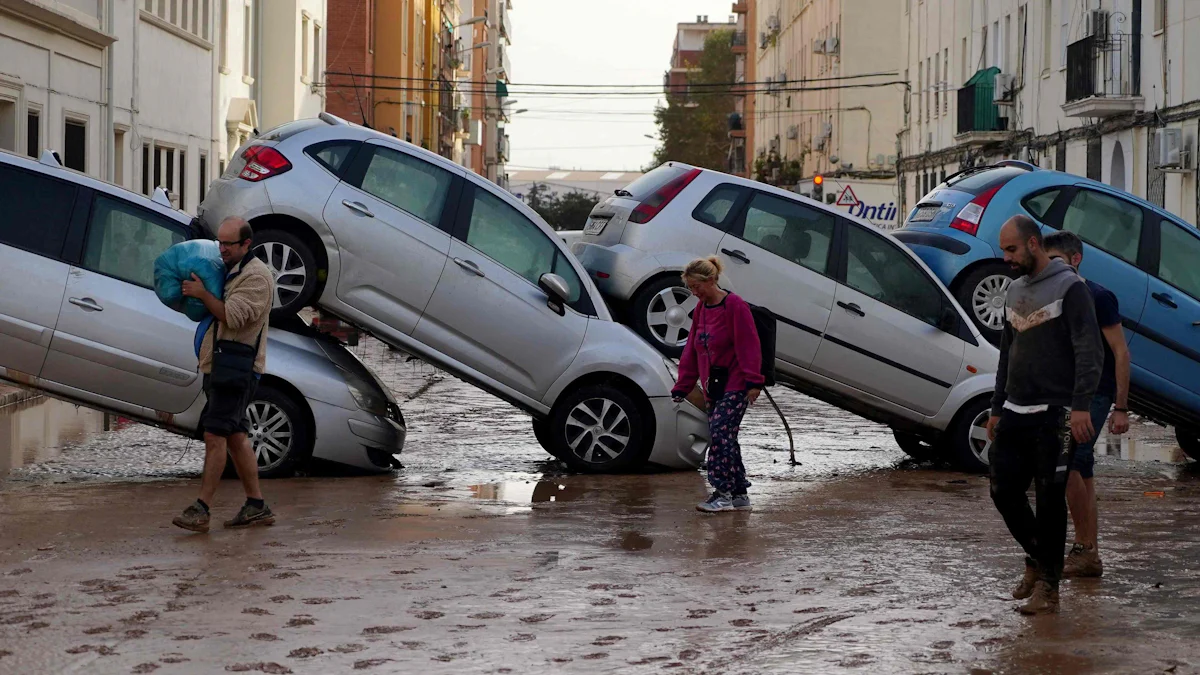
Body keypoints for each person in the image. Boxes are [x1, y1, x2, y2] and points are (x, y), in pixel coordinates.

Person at [986, 215, 1104, 615]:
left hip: (1057, 413)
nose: (1006, 258)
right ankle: (1039, 560)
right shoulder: (1014, 289)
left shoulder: (1071, 288)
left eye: (1012, 250)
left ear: (1033, 244)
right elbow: (1007, 354)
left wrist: (1081, 406)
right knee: (1003, 490)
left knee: (1052, 499)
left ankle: (1048, 588)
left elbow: (1091, 351)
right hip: (1016, 411)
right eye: (1004, 250)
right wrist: (996, 407)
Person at [173, 217, 276, 533]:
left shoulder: (257, 278)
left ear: (246, 244)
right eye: (219, 242)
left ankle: (201, 508)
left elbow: (231, 316)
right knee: (235, 435)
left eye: (228, 244)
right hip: (220, 366)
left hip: (237, 370)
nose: (222, 249)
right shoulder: (230, 269)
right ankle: (256, 505)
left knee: (215, 434)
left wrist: (203, 294)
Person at [1044, 230, 1131, 578]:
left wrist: (1121, 407)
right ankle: (1089, 552)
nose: (1049, 268)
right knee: (1081, 469)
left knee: (1070, 466)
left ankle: (1082, 548)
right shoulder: (1052, 296)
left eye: (1056, 261)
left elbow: (1121, 352)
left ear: (1075, 259)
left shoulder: (1098, 296)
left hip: (1095, 393)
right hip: (1065, 394)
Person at [670, 256, 764, 513]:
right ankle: (739, 494)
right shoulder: (701, 309)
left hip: (736, 383)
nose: (694, 292)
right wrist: (683, 384)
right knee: (727, 438)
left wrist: (754, 382)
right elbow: (692, 348)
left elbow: (749, 345)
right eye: (690, 288)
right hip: (714, 387)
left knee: (720, 435)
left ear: (710, 280)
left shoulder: (734, 305)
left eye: (696, 287)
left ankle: (721, 492)